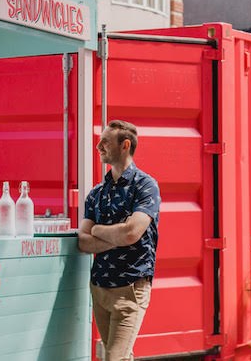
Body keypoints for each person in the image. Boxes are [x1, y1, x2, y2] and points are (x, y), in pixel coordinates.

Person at [78, 120, 160, 361]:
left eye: (105, 141)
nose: (98, 146)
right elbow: (83, 241)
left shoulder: (145, 186)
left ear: (125, 145)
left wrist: (99, 230)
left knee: (113, 357)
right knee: (121, 357)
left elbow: (132, 233)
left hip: (130, 288)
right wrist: (118, 235)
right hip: (100, 287)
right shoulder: (97, 193)